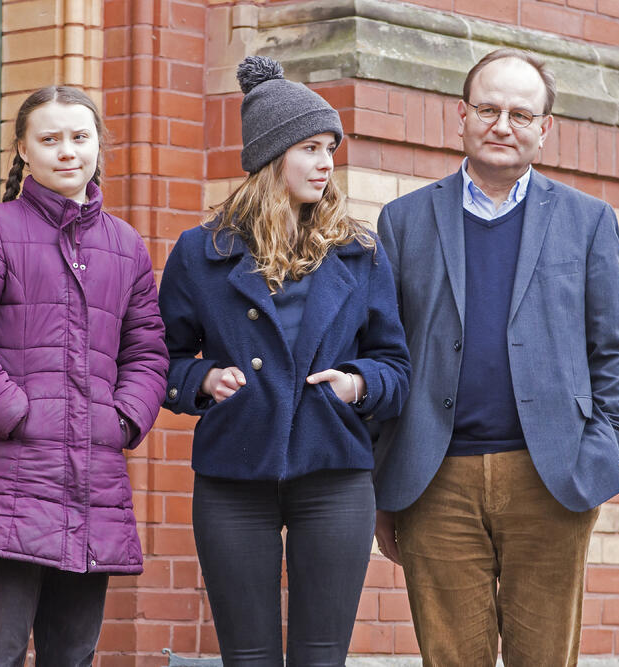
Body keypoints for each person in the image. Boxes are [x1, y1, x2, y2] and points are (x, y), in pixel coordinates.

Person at [373, 48, 619, 666]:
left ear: (546, 129)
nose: (502, 125)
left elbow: (614, 352)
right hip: (435, 479)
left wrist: (599, 453)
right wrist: (384, 481)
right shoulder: (404, 221)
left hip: (552, 478)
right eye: (488, 109)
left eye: (521, 114)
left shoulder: (588, 221)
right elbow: (385, 351)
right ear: (460, 116)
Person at [158, 56, 410, 666]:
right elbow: (159, 359)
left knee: (321, 657)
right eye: (309, 149)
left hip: (334, 473)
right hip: (232, 477)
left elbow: (395, 367)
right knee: (247, 658)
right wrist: (202, 378)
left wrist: (356, 385)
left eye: (330, 149)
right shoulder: (200, 253)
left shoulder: (360, 252)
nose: (326, 163)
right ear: (272, 158)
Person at [0, 85, 169, 665]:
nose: (67, 151)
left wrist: (122, 420)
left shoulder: (125, 246)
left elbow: (148, 352)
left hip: (94, 487)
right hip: (10, 482)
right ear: (23, 150)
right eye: (50, 138)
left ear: (97, 146)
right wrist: (18, 414)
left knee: (73, 655)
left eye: (80, 137)